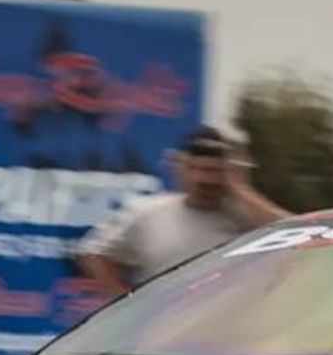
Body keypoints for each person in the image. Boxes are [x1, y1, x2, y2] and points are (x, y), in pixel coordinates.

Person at [77, 126, 289, 295]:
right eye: (198, 171)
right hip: (160, 333)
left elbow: (302, 239)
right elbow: (94, 254)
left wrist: (239, 189)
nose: (204, 180)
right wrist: (124, 306)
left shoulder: (248, 219)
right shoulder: (147, 213)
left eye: (215, 172)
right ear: (181, 169)